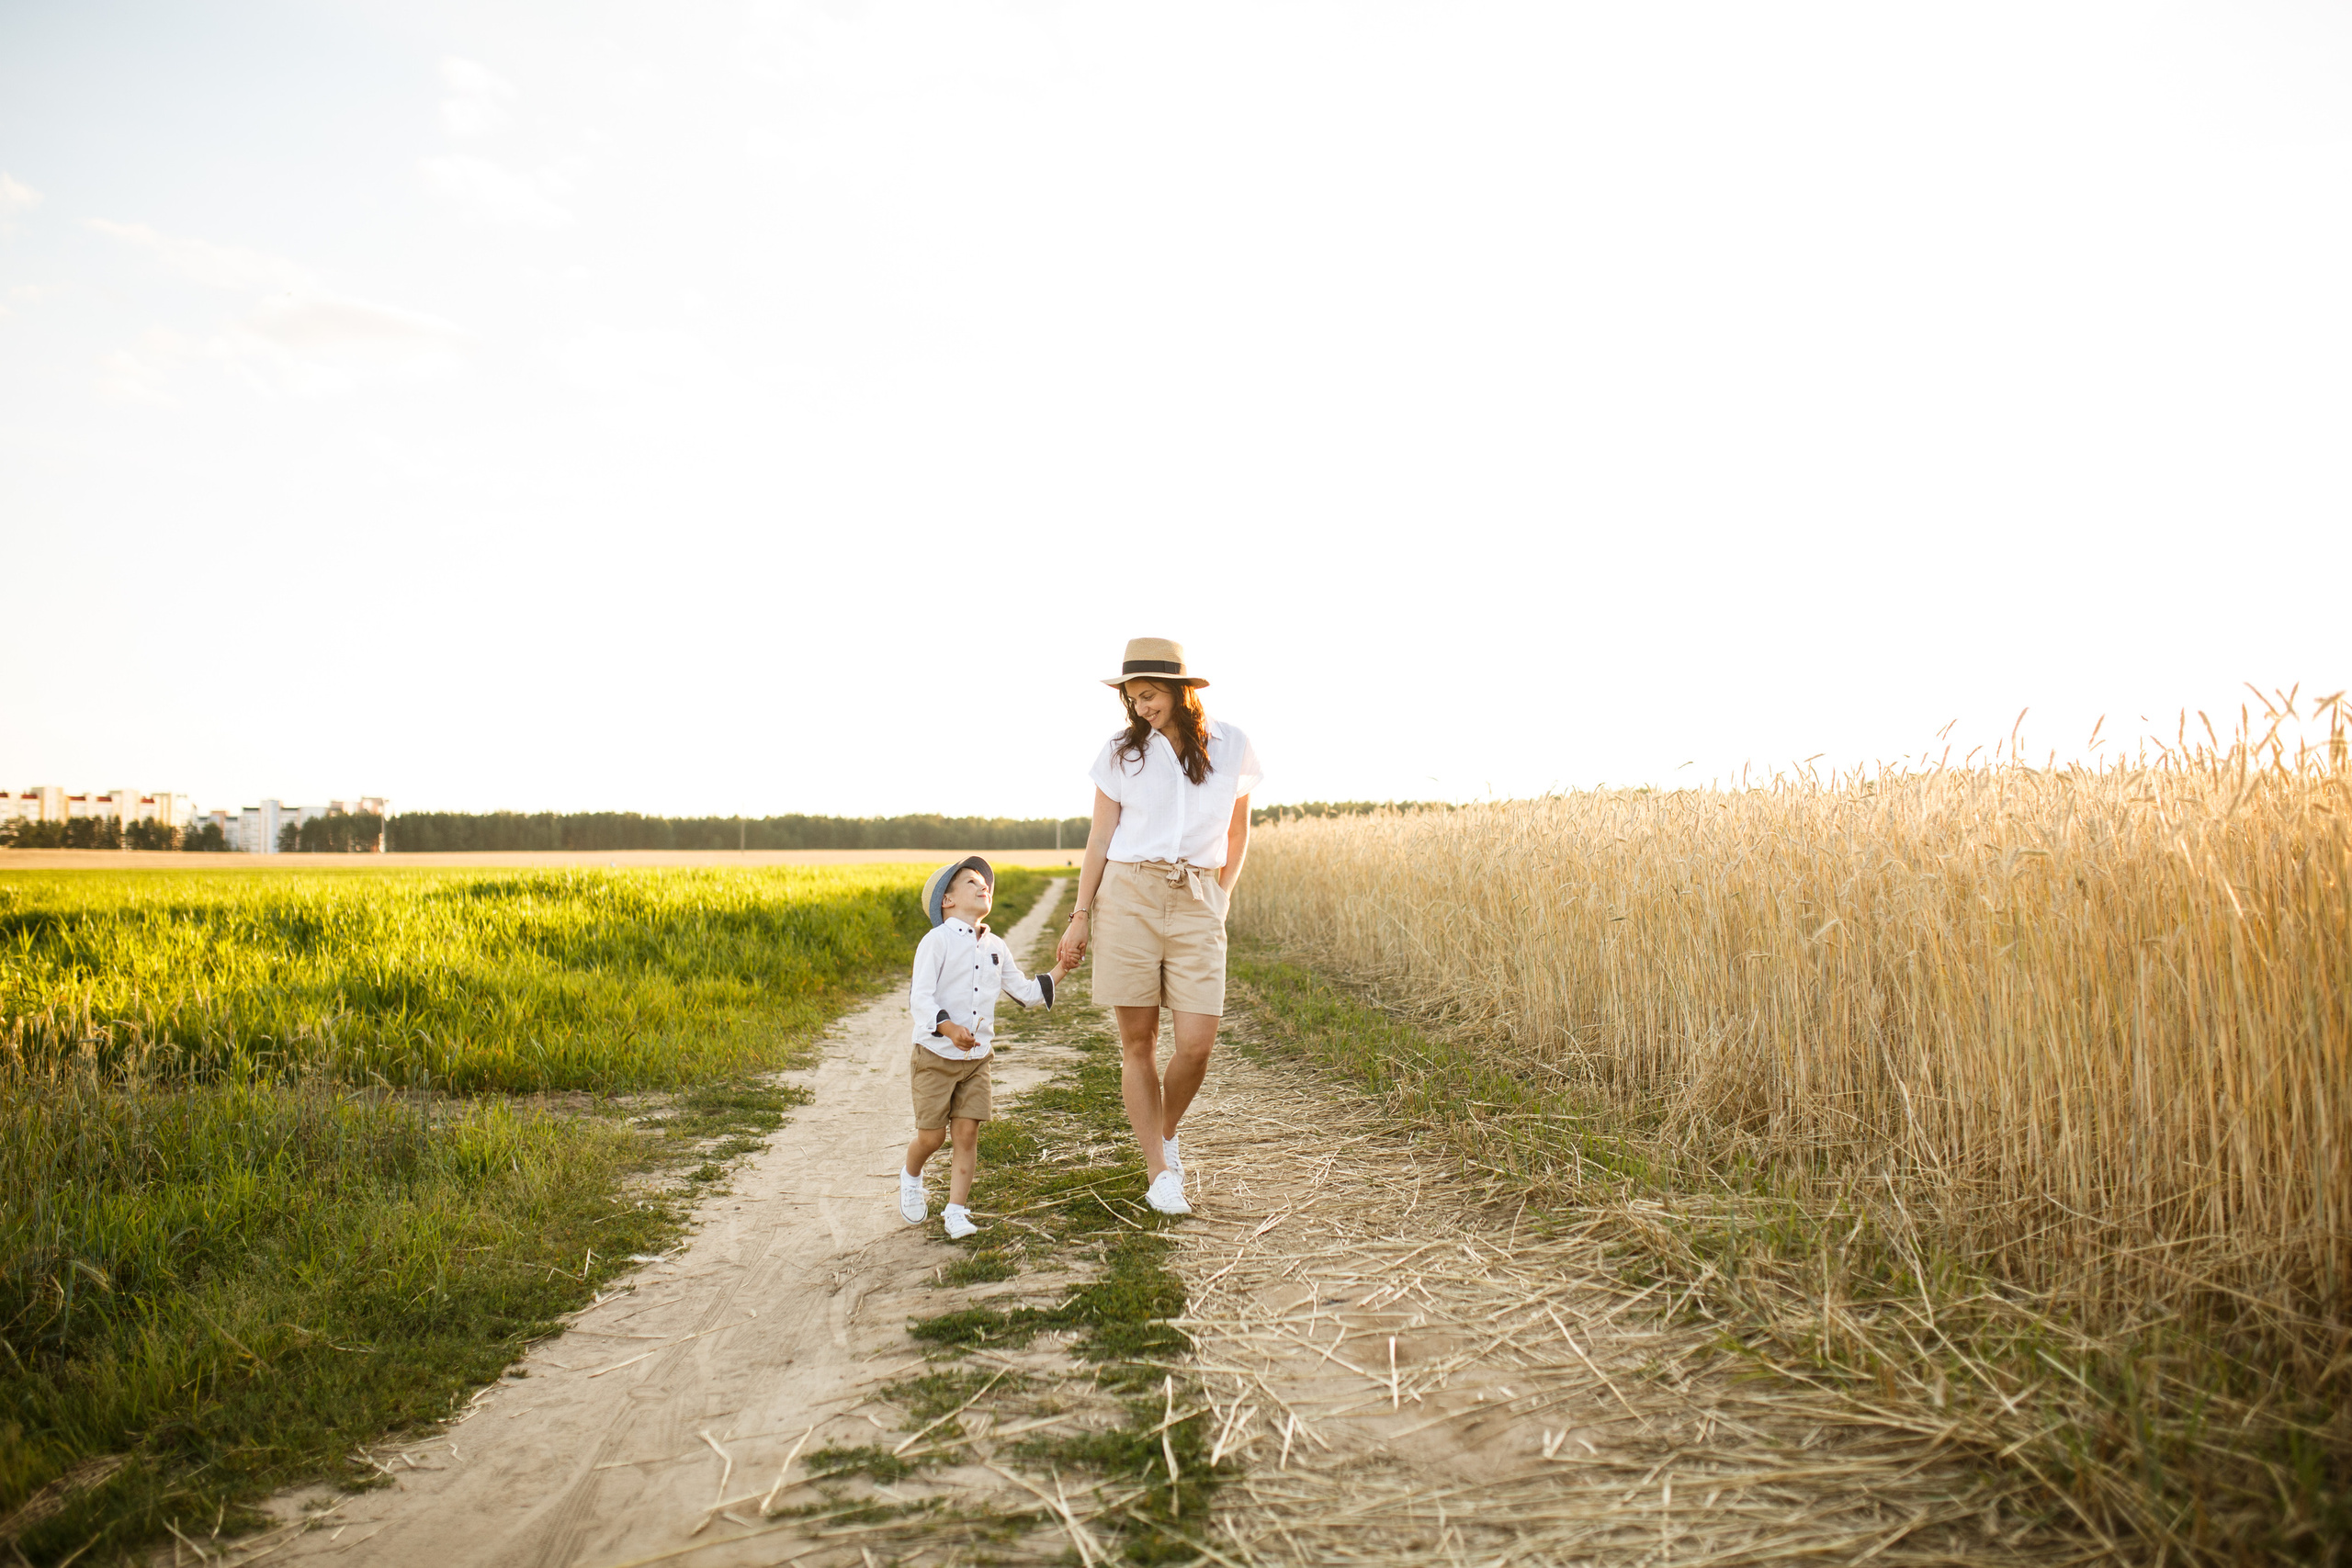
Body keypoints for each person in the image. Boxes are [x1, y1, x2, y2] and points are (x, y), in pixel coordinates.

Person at [1057, 637, 1261, 1216]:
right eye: (1132, 698)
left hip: (1198, 896)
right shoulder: (1121, 752)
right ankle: (1159, 1172)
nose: (1141, 707)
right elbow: (1100, 837)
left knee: (1196, 1046)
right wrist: (1080, 916)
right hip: (1128, 896)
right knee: (1139, 1042)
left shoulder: (1232, 745)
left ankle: (1165, 1133)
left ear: (1178, 689)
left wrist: (1220, 897)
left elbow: (1238, 833)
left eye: (1149, 695)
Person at [901, 855, 1065, 1239]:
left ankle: (956, 1210)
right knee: (932, 1138)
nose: (983, 886)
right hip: (935, 1057)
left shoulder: (996, 946)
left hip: (977, 1060)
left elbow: (1025, 993)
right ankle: (911, 1176)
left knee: (967, 1134)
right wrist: (948, 1027)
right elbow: (919, 997)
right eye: (972, 882)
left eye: (985, 883)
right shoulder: (936, 941)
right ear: (947, 900)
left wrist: (1063, 967)